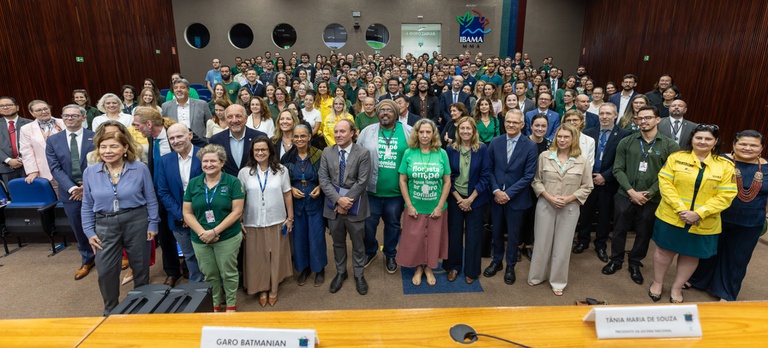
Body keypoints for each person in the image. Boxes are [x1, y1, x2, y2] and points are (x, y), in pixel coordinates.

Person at [649, 124, 736, 303]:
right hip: (672, 216)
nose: (702, 142)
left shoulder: (725, 166)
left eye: (708, 139)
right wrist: (681, 209)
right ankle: (657, 283)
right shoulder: (676, 158)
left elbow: (726, 195)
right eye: (699, 138)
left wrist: (699, 213)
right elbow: (665, 183)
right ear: (692, 139)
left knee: (690, 255)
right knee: (664, 252)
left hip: (703, 220)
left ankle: (677, 288)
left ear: (715, 141)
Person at [81, 130, 159, 315]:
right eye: (103, 147)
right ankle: (111, 311)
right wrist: (89, 232)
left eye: (114, 146)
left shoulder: (139, 168)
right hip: (104, 224)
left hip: (137, 221)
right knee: (106, 270)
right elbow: (86, 203)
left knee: (140, 268)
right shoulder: (90, 171)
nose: (108, 151)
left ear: (125, 148)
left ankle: (141, 307)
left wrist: (153, 223)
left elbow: (151, 198)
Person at [602, 106, 680, 285]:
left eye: (648, 118)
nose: (643, 121)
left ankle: (635, 263)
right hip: (625, 193)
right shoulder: (627, 141)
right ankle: (616, 260)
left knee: (644, 232)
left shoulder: (670, 145)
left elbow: (670, 174)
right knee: (619, 229)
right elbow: (617, 169)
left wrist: (650, 192)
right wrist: (631, 191)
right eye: (640, 118)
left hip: (652, 198)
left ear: (658, 120)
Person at [688, 130, 768, 301]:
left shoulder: (766, 167)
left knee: (737, 258)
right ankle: (698, 280)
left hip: (750, 223)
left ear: (761, 148)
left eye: (753, 145)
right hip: (716, 216)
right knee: (708, 251)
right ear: (733, 145)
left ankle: (726, 292)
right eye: (742, 144)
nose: (747, 148)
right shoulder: (719, 161)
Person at [528, 124, 593, 296]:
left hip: (570, 208)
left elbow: (587, 186)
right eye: (560, 137)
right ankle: (536, 276)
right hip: (546, 205)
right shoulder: (545, 156)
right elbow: (536, 181)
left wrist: (569, 199)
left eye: (566, 137)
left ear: (573, 140)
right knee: (541, 243)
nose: (562, 140)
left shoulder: (582, 160)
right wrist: (549, 197)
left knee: (562, 246)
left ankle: (558, 281)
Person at [183, 144, 244, 312]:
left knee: (228, 272)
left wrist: (215, 231)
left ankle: (231, 304)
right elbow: (187, 212)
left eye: (213, 161)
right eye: (205, 161)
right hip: (200, 238)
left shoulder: (232, 182)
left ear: (222, 163)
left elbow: (237, 211)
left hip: (227, 236)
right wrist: (203, 233)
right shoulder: (194, 183)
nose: (208, 164)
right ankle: (215, 304)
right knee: (209, 274)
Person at [484, 109, 538, 284]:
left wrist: (507, 194)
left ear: (522, 125)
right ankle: (497, 261)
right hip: (496, 196)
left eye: (515, 122)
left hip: (517, 199)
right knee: (497, 231)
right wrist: (496, 191)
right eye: (508, 121)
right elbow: (489, 170)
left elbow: (528, 176)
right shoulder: (495, 142)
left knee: (514, 235)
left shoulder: (530, 145)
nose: (511, 125)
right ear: (504, 122)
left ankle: (510, 266)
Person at [238, 136, 293, 307]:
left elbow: (287, 193)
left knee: (276, 256)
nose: (260, 153)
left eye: (263, 149)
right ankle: (262, 289)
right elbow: (240, 198)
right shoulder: (244, 173)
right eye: (257, 150)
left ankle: (274, 289)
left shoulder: (281, 170)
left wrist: (290, 217)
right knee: (257, 258)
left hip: (276, 219)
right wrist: (239, 220)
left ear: (270, 151)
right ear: (252, 152)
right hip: (252, 221)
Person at [358, 100, 412, 274]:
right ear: (377, 113)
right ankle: (370, 250)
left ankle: (390, 253)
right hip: (371, 191)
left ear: (395, 113)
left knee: (393, 224)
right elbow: (357, 156)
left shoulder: (408, 131)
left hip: (396, 192)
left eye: (389, 110)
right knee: (368, 224)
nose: (385, 113)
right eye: (382, 110)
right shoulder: (367, 132)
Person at [319, 119, 371, 295]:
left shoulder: (363, 153)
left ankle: (359, 274)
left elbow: (362, 181)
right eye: (336, 131)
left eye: (342, 131)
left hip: (355, 207)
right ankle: (341, 272)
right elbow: (324, 180)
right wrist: (338, 201)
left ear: (352, 133)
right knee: (337, 243)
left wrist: (346, 201)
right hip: (333, 207)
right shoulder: (327, 152)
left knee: (358, 244)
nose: (338, 135)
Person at [397, 119, 450, 286]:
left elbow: (447, 181)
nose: (425, 135)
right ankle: (419, 267)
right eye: (421, 132)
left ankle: (429, 267)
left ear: (433, 134)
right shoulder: (409, 153)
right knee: (416, 239)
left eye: (428, 132)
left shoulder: (441, 153)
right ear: (416, 134)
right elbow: (403, 180)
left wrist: (440, 206)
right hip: (415, 206)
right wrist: (409, 205)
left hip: (436, 206)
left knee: (434, 240)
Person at [573, 103, 630, 261]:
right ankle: (583, 241)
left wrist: (605, 176)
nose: (604, 117)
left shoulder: (624, 135)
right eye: (602, 114)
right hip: (588, 179)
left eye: (608, 114)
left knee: (604, 215)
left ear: (615, 115)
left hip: (608, 181)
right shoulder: (589, 132)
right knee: (585, 213)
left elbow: (622, 161)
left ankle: (600, 244)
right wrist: (589, 175)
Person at [46, 104, 96, 280]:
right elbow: (55, 168)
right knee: (79, 227)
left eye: (74, 116)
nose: (69, 119)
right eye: (66, 116)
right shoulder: (53, 140)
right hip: (70, 193)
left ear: (83, 117)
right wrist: (74, 188)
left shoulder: (95, 137)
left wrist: (86, 187)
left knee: (104, 225)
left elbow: (100, 162)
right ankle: (88, 259)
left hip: (96, 190)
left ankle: (112, 256)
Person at [444, 117, 491, 284]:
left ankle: (471, 270)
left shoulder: (483, 149)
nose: (465, 131)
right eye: (462, 128)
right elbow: (448, 176)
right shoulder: (450, 150)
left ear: (474, 131)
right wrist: (459, 199)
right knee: (454, 235)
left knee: (474, 236)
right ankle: (453, 267)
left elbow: (485, 177)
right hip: (456, 198)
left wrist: (470, 199)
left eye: (468, 129)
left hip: (475, 200)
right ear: (458, 131)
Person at [156, 123, 204, 284]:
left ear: (190, 135)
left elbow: (212, 187)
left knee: (207, 254)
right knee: (189, 255)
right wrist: (182, 215)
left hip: (203, 217)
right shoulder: (165, 161)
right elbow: (163, 191)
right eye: (171, 138)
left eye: (179, 136)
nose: (176, 141)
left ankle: (216, 288)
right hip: (178, 219)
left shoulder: (205, 155)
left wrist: (193, 216)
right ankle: (198, 287)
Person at [281, 124, 326, 287]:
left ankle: (319, 268)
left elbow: (327, 176)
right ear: (292, 138)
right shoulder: (286, 158)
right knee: (299, 238)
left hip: (315, 201)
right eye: (296, 136)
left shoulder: (318, 154)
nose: (299, 139)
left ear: (309, 137)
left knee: (316, 236)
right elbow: (281, 179)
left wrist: (321, 187)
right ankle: (304, 268)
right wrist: (291, 188)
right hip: (296, 202)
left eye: (303, 136)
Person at [519, 113, 553, 260]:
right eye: (537, 125)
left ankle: (528, 244)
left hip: (539, 188)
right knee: (519, 217)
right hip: (521, 186)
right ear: (531, 126)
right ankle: (516, 244)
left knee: (533, 217)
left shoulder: (550, 145)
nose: (540, 128)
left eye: (543, 126)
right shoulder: (522, 142)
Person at [20, 100, 65, 195]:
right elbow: (27, 151)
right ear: (32, 113)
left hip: (69, 169)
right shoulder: (26, 129)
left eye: (46, 109)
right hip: (46, 171)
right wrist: (32, 171)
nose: (44, 112)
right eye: (39, 110)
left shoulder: (64, 122)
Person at [0, 96, 32, 185]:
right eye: (1, 106)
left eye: (9, 105)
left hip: (29, 166)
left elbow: (34, 144)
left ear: (17, 107)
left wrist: (22, 159)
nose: (5, 107)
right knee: (14, 196)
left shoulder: (30, 123)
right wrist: (8, 160)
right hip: (5, 168)